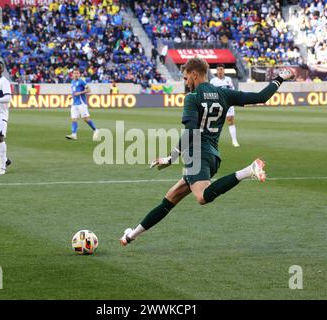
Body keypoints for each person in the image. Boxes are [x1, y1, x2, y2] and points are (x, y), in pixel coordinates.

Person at [119, 57, 294, 246]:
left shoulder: (193, 98)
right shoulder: (224, 93)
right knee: (169, 199)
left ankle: (248, 171)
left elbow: (191, 131)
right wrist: (280, 78)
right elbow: (261, 97)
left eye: (186, 78)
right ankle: (130, 235)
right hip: (212, 157)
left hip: (197, 155)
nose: (186, 83)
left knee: (202, 197)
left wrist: (171, 157)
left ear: (195, 74)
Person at [210, 64, 239, 147]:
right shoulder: (213, 81)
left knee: (230, 120)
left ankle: (234, 140)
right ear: (216, 71)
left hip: (228, 102)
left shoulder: (228, 79)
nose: (220, 71)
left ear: (224, 70)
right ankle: (212, 141)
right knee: (214, 122)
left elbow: (232, 90)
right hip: (217, 103)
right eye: (218, 69)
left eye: (221, 69)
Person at [66, 69, 99, 141]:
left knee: (85, 119)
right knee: (74, 119)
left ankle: (95, 130)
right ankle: (74, 134)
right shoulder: (72, 82)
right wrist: (72, 96)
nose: (76, 74)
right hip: (74, 103)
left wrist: (80, 92)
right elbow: (74, 92)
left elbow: (89, 90)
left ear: (79, 74)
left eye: (77, 73)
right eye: (75, 73)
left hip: (82, 103)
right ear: (72, 74)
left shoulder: (82, 81)